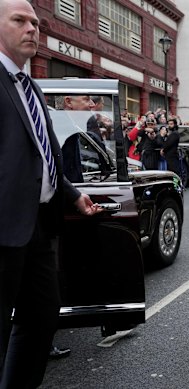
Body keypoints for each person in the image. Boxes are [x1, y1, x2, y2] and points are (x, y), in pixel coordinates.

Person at [0, 1, 101, 386]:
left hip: (39, 226)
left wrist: (71, 194)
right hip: (4, 229)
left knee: (42, 316)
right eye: (19, 21)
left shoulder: (32, 87)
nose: (32, 28)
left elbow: (41, 156)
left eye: (36, 23)